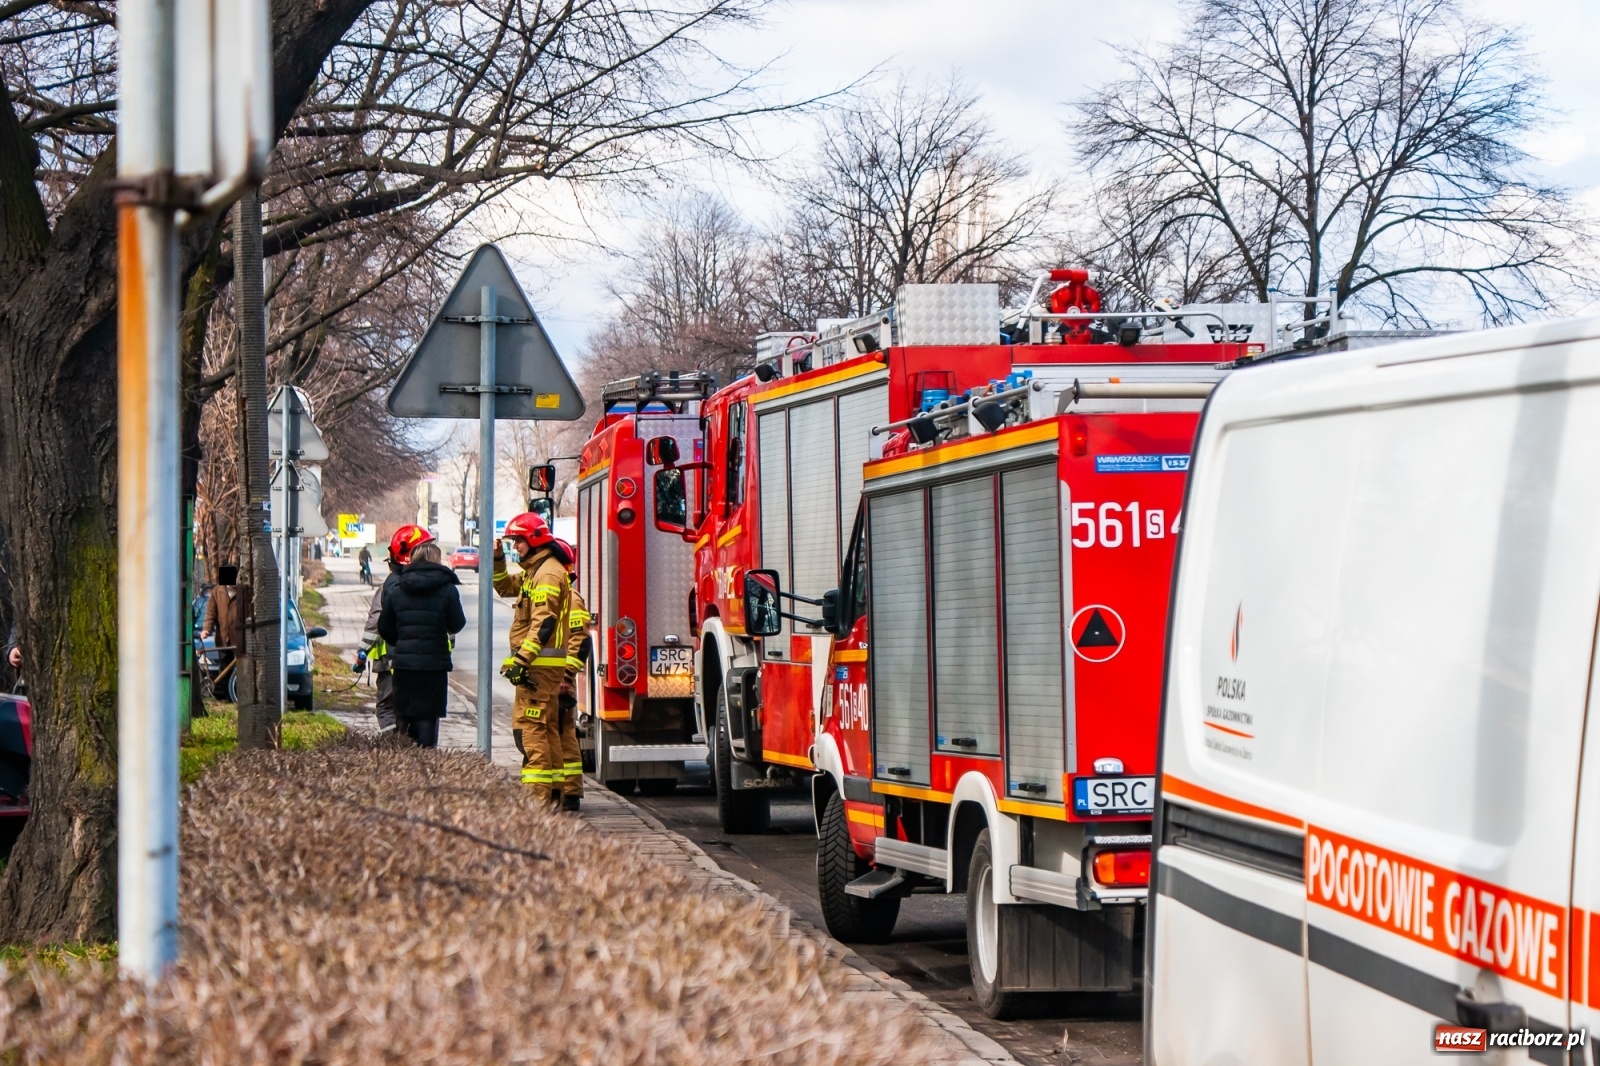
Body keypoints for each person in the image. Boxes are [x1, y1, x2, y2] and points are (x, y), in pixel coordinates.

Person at [492, 512, 571, 806]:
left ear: (535, 540)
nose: (515, 547)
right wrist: (497, 559)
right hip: (540, 668)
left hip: (538, 668)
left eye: (518, 541)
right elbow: (503, 587)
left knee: (531, 731)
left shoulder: (547, 574)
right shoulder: (534, 572)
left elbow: (543, 623)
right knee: (546, 730)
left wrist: (521, 660)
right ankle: (554, 797)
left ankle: (538, 804)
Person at [377, 541, 465, 747]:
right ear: (437, 560)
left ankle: (404, 759)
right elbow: (457, 624)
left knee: (403, 715)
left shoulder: (399, 588)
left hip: (404, 665)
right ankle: (426, 759)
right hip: (434, 666)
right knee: (428, 716)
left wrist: (402, 642)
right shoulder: (448, 590)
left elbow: (384, 626)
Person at [356, 525, 433, 733]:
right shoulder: (436, 585)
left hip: (390, 662)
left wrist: (362, 652)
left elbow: (375, 623)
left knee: (387, 707)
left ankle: (395, 746)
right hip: (427, 664)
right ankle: (419, 747)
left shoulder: (389, 587)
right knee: (421, 710)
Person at [557, 540, 591, 811]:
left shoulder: (571, 598)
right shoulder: (560, 594)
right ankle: (561, 791)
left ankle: (569, 793)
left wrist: (566, 677)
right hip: (550, 679)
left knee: (564, 734)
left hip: (559, 681)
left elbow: (580, 640)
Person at [199, 564, 248, 691]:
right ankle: (225, 692)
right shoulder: (217, 591)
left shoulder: (243, 591)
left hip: (240, 638)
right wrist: (206, 629)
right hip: (223, 637)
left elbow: (249, 612)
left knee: (242, 668)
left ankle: (239, 693)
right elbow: (211, 613)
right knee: (225, 666)